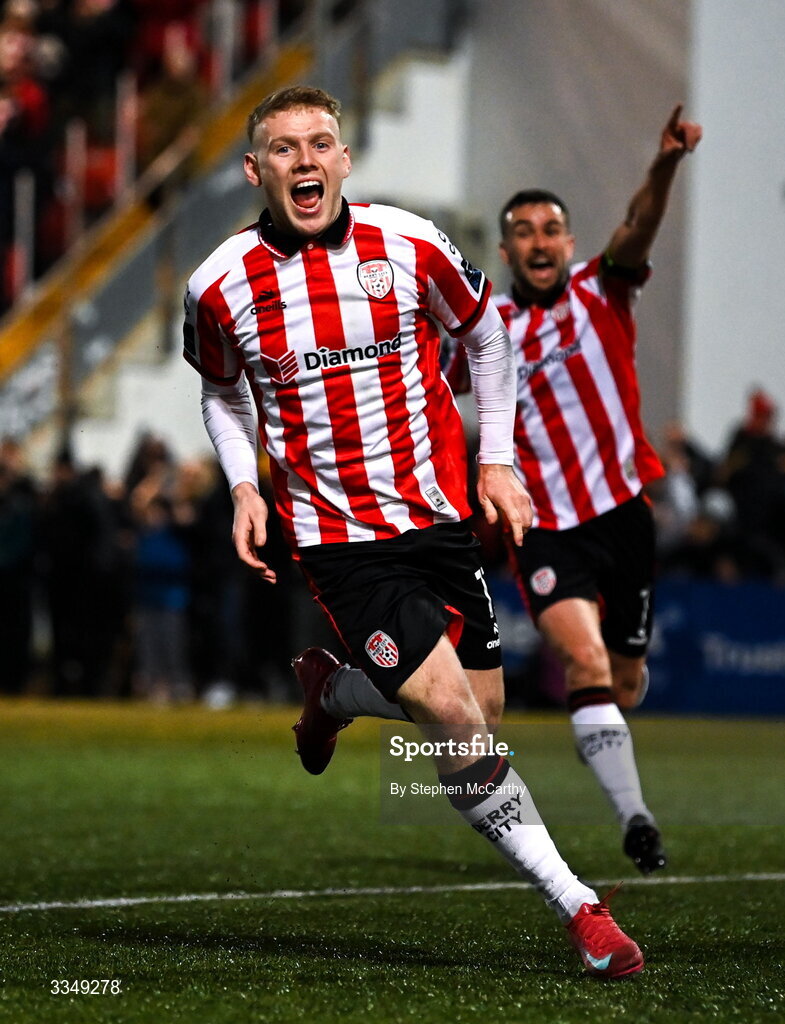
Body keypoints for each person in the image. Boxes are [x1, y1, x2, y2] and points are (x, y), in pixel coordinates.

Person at [183, 84, 644, 979]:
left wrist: (496, 458)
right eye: (284, 149)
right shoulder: (219, 284)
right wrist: (245, 485)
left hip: (435, 519)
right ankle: (580, 908)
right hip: (340, 539)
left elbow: (486, 341)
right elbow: (220, 391)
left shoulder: (412, 243)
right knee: (453, 717)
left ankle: (335, 695)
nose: (305, 161)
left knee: (482, 711)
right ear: (256, 170)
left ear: (345, 158)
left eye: (321, 143)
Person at [491, 105, 702, 874]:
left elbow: (638, 224)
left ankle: (606, 741)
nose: (539, 242)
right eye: (524, 231)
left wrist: (666, 162)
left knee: (623, 679)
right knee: (582, 666)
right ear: (506, 246)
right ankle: (636, 820)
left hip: (622, 515)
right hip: (546, 528)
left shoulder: (601, 289)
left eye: (550, 230)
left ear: (569, 244)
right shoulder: (486, 332)